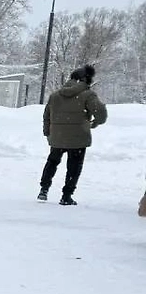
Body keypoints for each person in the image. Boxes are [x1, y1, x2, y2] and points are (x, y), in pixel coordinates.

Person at [38, 65, 107, 205]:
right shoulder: (88, 95)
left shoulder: (55, 95)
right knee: (74, 167)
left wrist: (48, 133)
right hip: (78, 137)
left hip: (57, 137)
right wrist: (95, 123)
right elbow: (100, 113)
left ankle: (44, 190)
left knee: (52, 162)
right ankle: (66, 196)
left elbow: (46, 116)